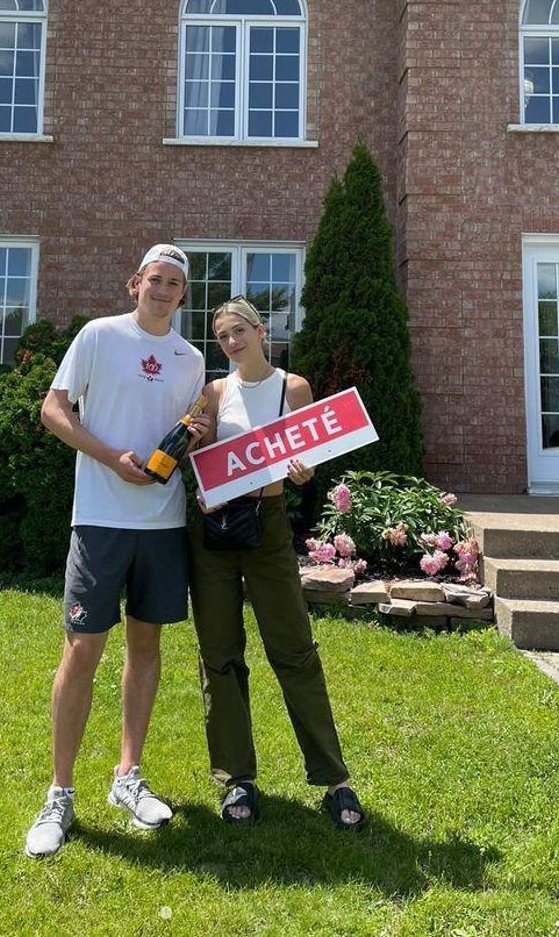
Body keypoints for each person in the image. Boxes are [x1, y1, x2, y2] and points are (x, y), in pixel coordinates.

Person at [24, 244, 210, 859]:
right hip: (101, 520)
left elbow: (189, 435)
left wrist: (198, 437)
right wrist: (110, 457)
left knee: (147, 647)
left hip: (162, 522)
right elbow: (54, 410)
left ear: (183, 296)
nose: (164, 291)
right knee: (82, 653)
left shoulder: (190, 360)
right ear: (135, 283)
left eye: (175, 284)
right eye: (155, 280)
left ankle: (127, 777)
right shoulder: (99, 337)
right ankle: (60, 794)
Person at [189, 296, 366, 829]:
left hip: (267, 525)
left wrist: (302, 471)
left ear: (261, 330)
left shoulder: (293, 387)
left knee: (293, 650)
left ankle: (334, 779)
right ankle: (236, 778)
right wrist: (201, 484)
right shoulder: (214, 392)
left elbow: (306, 454)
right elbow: (201, 461)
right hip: (215, 533)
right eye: (222, 336)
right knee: (219, 654)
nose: (232, 342)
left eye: (239, 330)